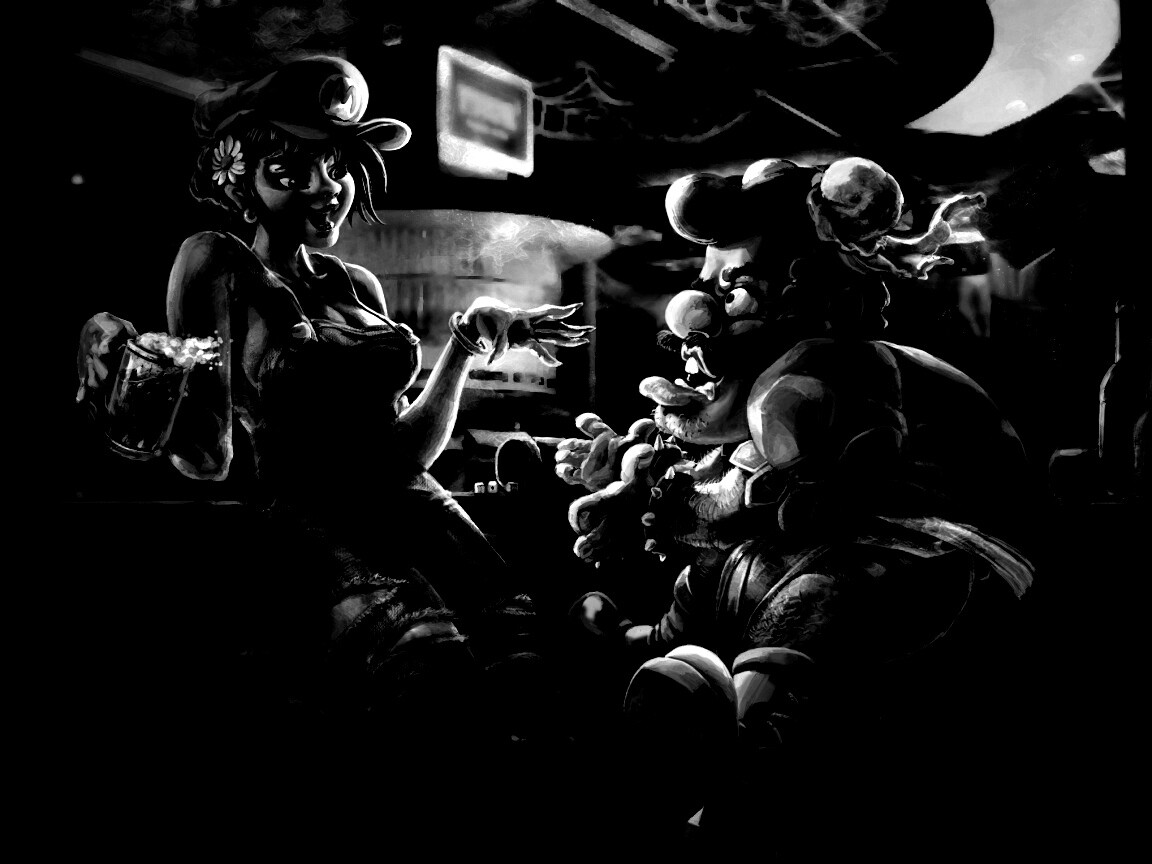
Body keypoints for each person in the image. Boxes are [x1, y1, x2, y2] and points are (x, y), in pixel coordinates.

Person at [74, 56, 592, 760]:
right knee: (428, 675)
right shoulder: (216, 261)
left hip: (415, 504)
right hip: (313, 516)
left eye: (337, 166)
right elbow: (207, 458)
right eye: (291, 172)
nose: (327, 188)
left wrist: (465, 347)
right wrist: (125, 372)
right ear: (238, 179)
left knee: (526, 657)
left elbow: (405, 452)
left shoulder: (358, 284)